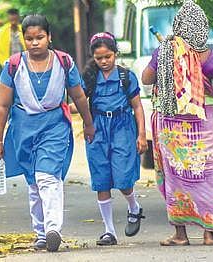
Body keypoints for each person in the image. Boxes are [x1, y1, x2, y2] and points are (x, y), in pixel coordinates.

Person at [0, 14, 94, 252]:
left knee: (48, 176)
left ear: (49, 37)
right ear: (24, 40)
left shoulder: (64, 62)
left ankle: (52, 229)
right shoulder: (13, 65)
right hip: (23, 129)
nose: (35, 43)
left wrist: (88, 123)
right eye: (29, 39)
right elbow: (2, 106)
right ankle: (39, 232)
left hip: (54, 126)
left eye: (40, 37)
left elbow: (78, 96)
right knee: (34, 183)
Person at [141, 0, 213, 246]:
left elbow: (146, 78)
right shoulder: (210, 55)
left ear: (179, 25)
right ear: (203, 27)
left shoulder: (165, 51)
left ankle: (180, 235)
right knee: (207, 174)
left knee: (176, 176)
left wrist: (165, 60)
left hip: (170, 125)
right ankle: (209, 233)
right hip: (201, 123)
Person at [81, 32, 148, 246]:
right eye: (99, 58)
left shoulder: (125, 77)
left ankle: (134, 207)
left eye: (108, 56)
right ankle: (109, 231)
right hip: (97, 129)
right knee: (101, 179)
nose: (104, 62)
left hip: (122, 128)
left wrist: (142, 134)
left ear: (115, 54)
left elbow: (137, 107)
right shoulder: (89, 78)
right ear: (93, 57)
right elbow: (80, 104)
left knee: (123, 178)